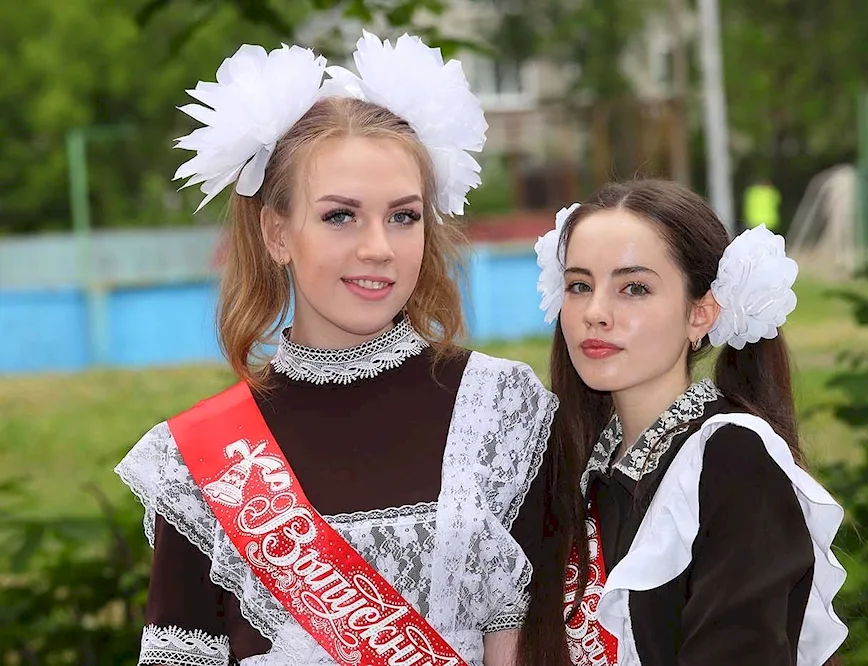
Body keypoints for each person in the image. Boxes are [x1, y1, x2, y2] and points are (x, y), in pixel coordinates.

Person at [114, 33, 555, 666]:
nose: (378, 247)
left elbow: (538, 638)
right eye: (340, 216)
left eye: (403, 216)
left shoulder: (502, 411)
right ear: (275, 232)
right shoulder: (199, 460)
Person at [520, 179, 848, 666]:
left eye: (634, 288)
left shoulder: (733, 458)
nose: (595, 313)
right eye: (579, 286)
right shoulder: (569, 462)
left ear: (701, 313)